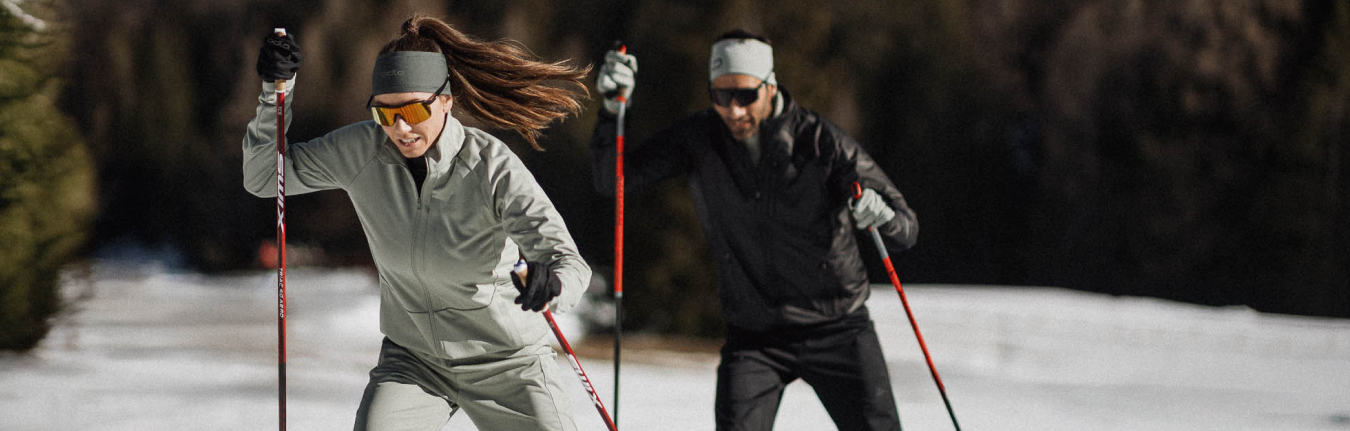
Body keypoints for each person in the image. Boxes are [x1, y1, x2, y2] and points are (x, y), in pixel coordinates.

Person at [245, 15, 592, 431]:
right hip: (415, 361)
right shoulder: (362, 151)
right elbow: (266, 177)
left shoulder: (491, 167)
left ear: (445, 100)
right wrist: (274, 94)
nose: (400, 127)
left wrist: (552, 284)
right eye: (384, 113)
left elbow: (566, 260)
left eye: (412, 109)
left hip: (507, 361)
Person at [590, 29, 918, 431]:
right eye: (721, 95)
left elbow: (905, 229)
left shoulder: (821, 142)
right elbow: (614, 179)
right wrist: (612, 110)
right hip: (755, 335)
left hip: (838, 326)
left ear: (770, 87)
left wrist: (881, 217)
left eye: (746, 95)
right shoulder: (701, 139)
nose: (733, 109)